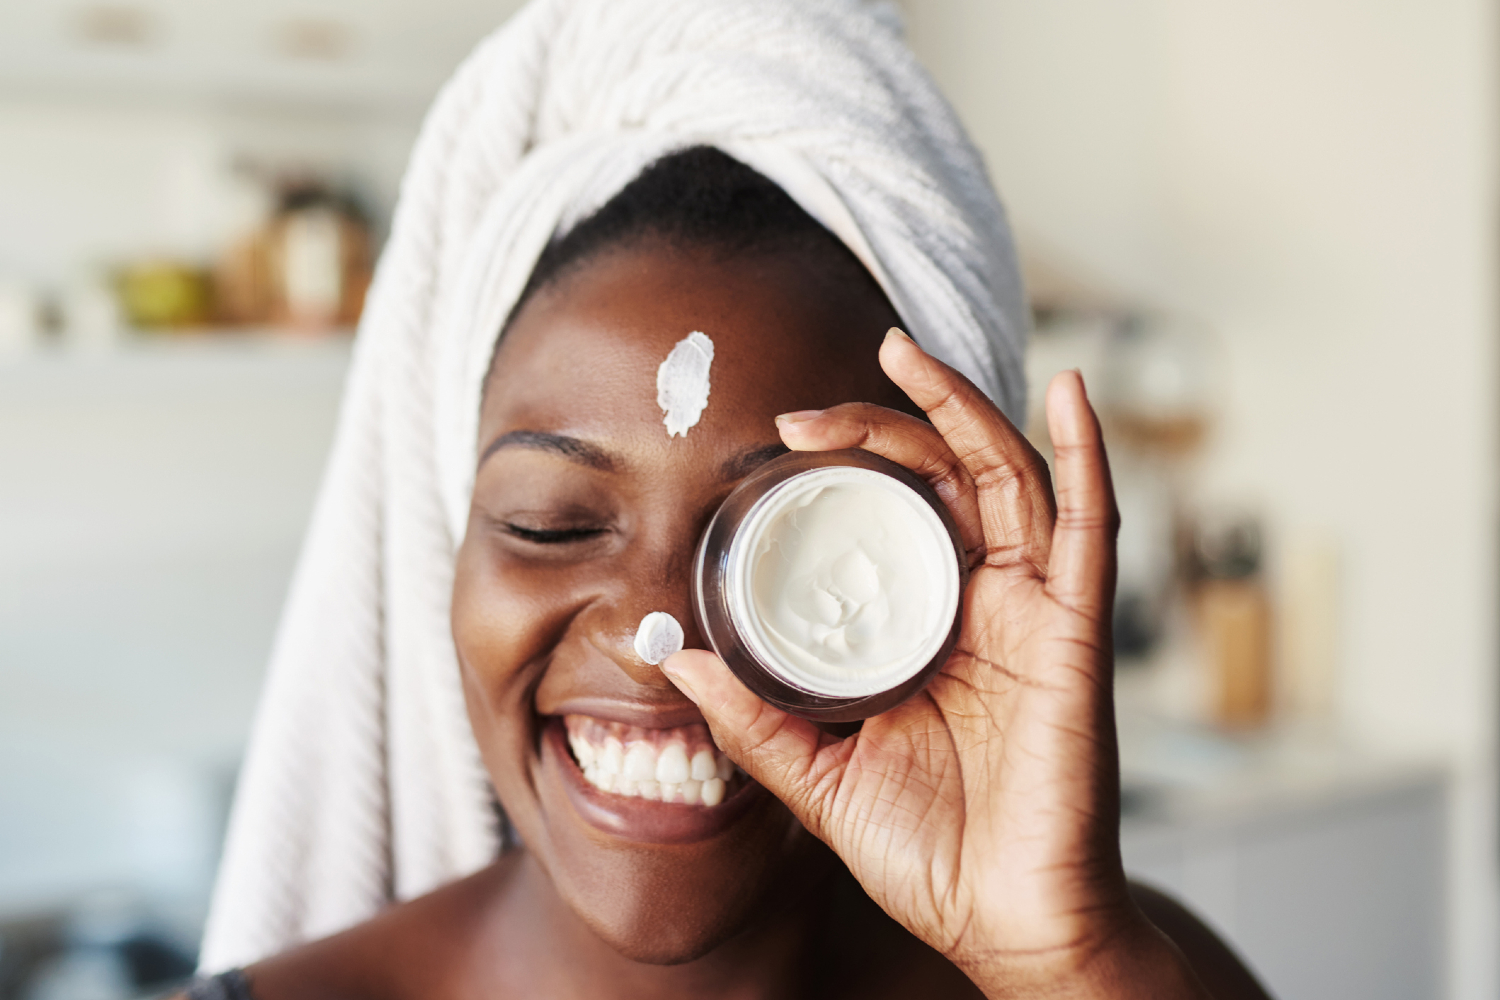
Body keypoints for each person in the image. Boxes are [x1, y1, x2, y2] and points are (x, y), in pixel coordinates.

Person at [183, 3, 1273, 999]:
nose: (661, 640)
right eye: (549, 523)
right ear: (449, 542)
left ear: (950, 561)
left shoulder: (1136, 974)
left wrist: (1065, 969)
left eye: (777, 540)